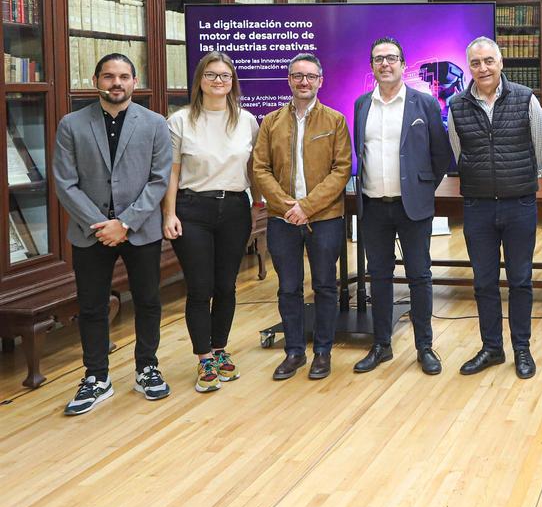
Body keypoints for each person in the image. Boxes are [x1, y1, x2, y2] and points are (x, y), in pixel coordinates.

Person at [54, 53, 172, 415]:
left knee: (148, 301)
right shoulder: (71, 124)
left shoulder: (155, 124)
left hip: (140, 230)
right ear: (95, 81)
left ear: (135, 82)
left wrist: (125, 222)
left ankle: (147, 368)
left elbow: (159, 179)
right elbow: (65, 182)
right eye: (108, 76)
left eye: (123, 76)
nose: (116, 83)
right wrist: (101, 224)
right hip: (91, 232)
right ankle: (96, 377)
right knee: (92, 306)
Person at [448, 37, 542, 379]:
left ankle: (522, 348)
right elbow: (459, 152)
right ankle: (492, 348)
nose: (483, 68)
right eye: (476, 63)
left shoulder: (525, 98)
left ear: (501, 62)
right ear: (469, 67)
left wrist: (518, 179)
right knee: (484, 282)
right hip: (477, 207)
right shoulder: (457, 105)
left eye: (489, 60)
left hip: (519, 203)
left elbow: (540, 150)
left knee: (520, 280)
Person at [352, 37, 451, 375]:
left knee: (419, 276)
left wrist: (421, 188)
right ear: (372, 66)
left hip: (413, 208)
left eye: (391, 58)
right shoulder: (362, 105)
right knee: (378, 276)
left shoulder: (424, 103)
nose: (385, 64)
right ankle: (381, 345)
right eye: (378, 58)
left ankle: (425, 347)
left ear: (403, 64)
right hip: (373, 207)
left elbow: (441, 156)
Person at [162, 52, 259, 394]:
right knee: (200, 287)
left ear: (233, 82)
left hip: (235, 208)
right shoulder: (180, 121)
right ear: (200, 80)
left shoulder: (247, 120)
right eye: (212, 75)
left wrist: (259, 203)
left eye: (225, 76)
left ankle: (219, 349)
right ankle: (203, 357)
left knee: (226, 286)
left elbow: (254, 169)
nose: (219, 81)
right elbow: (172, 172)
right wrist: (169, 213)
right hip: (192, 210)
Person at [252, 52, 352, 381]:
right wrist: (286, 206)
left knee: (325, 285)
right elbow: (260, 168)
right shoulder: (271, 122)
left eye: (310, 76)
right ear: (289, 80)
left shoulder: (335, 121)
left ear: (320, 81)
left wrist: (306, 207)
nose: (304, 81)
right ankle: (294, 352)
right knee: (288, 288)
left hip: (324, 218)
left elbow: (341, 170)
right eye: (298, 76)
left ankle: (322, 352)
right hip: (282, 219)